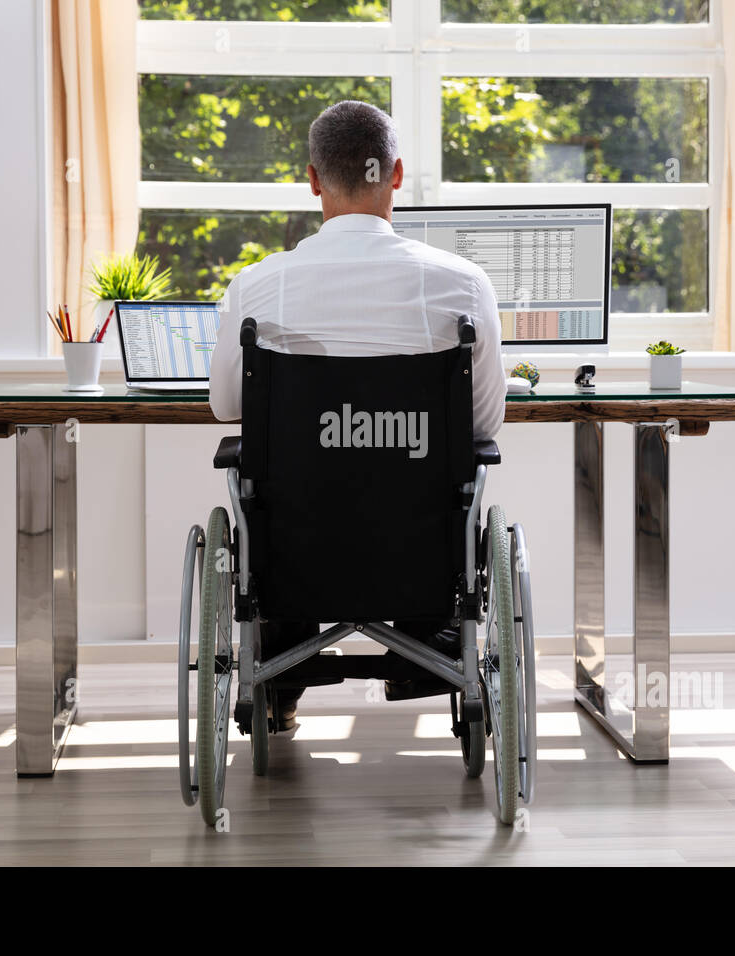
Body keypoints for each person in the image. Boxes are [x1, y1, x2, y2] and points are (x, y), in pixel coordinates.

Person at [209, 100, 506, 730]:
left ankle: (283, 670)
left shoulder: (257, 288)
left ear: (312, 180)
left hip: (297, 556)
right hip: (421, 556)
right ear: (395, 174)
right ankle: (426, 649)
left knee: (272, 499)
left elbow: (226, 407)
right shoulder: (464, 285)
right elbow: (484, 424)